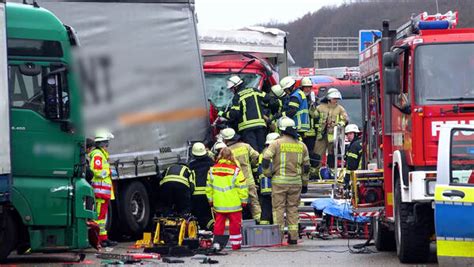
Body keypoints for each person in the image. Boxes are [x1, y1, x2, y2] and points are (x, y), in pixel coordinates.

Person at [262, 117, 310, 245]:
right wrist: (305, 183)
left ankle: (278, 237)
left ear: (281, 129)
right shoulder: (302, 145)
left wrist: (267, 173)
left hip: (279, 182)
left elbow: (265, 158)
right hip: (296, 183)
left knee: (278, 209)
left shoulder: (276, 143)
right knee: (293, 209)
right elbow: (306, 167)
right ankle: (293, 237)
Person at [206, 147, 248, 250]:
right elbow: (242, 187)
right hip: (234, 204)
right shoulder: (236, 171)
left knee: (219, 224)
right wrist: (244, 201)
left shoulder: (212, 170)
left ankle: (217, 244)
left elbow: (209, 188)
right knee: (235, 225)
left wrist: (210, 200)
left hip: (219, 204)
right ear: (231, 156)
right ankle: (236, 245)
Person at [221, 128, 262, 223]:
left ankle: (239, 225)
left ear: (225, 139)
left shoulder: (226, 151)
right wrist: (251, 165)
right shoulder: (245, 146)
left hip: (235, 184)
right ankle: (259, 222)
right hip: (248, 181)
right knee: (254, 204)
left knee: (237, 206)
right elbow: (257, 157)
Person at [220, 75, 269, 152]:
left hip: (247, 128)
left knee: (253, 151)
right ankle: (262, 163)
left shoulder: (237, 96)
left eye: (232, 89)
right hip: (260, 125)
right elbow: (268, 99)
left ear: (236, 87)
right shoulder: (254, 90)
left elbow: (234, 114)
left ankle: (256, 164)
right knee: (262, 149)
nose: (231, 91)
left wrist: (222, 113)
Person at [89, 129, 117, 247]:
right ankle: (99, 240)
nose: (107, 146)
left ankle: (103, 238)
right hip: (100, 191)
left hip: (103, 192)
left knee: (101, 217)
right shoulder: (98, 154)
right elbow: (96, 171)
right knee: (99, 217)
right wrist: (108, 171)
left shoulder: (101, 155)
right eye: (107, 144)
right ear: (102, 143)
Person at [312, 88, 348, 175]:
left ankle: (332, 172)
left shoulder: (340, 109)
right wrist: (312, 107)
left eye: (337, 99)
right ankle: (315, 173)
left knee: (333, 154)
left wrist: (340, 123)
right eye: (334, 98)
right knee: (317, 154)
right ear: (329, 98)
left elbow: (345, 119)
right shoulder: (320, 107)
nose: (335, 100)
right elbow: (314, 116)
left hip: (333, 135)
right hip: (321, 135)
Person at [189, 142, 215, 230]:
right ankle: (212, 226)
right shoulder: (212, 164)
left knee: (199, 214)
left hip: (196, 195)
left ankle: (203, 229)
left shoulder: (191, 166)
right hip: (209, 194)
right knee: (209, 213)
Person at [258, 132, 280, 225]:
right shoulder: (274, 153)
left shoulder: (262, 153)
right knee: (276, 208)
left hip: (264, 186)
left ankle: (264, 228)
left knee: (266, 209)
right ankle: (276, 228)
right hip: (273, 185)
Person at [300, 77, 320, 178]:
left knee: (310, 153)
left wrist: (317, 131)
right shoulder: (299, 98)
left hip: (311, 132)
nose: (308, 89)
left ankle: (310, 173)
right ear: (302, 87)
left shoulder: (313, 100)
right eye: (306, 87)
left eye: (309, 87)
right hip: (301, 131)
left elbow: (317, 117)